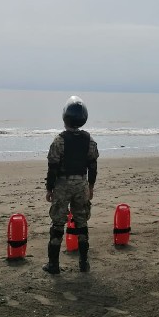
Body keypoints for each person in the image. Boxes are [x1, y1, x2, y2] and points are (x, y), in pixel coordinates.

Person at [44, 96, 99, 274]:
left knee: (58, 224)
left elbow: (52, 167)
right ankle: (84, 263)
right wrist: (90, 186)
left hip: (62, 185)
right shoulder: (89, 140)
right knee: (82, 223)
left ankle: (53, 265)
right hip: (81, 183)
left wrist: (49, 188)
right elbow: (93, 165)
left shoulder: (59, 140)